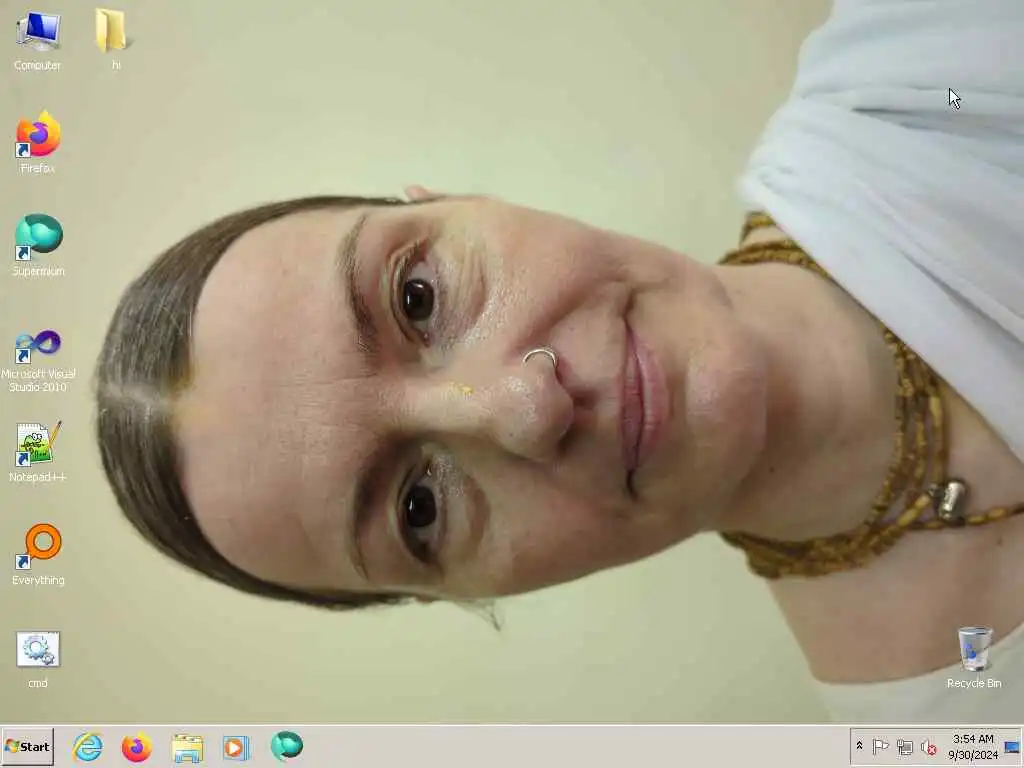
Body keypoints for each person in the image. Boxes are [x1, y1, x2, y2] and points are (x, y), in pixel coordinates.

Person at [95, 0, 1024, 721]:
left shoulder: (942, 53)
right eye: (420, 509)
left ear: (457, 200)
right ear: (458, 593)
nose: (525, 408)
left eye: (418, 298)